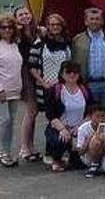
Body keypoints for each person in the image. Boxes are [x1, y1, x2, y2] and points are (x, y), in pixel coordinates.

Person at [28, 13, 72, 163]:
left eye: (57, 25)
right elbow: (32, 67)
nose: (55, 27)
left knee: (65, 116)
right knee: (52, 118)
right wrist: (42, 82)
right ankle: (50, 150)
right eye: (52, 25)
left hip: (64, 87)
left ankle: (64, 149)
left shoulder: (67, 43)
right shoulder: (39, 44)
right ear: (48, 26)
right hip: (47, 88)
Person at [0, 13, 25, 168]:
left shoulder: (14, 44)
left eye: (10, 27)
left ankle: (8, 151)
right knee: (4, 120)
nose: (7, 30)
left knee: (11, 122)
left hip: (15, 89)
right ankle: (3, 153)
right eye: (3, 27)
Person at [44, 60, 91, 172]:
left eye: (75, 72)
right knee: (60, 139)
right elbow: (50, 114)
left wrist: (80, 127)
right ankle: (57, 158)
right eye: (68, 72)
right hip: (60, 126)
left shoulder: (85, 90)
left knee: (80, 165)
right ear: (62, 74)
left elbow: (91, 112)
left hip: (79, 128)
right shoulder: (55, 90)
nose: (72, 75)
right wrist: (62, 129)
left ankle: (74, 157)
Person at [72, 7, 105, 114]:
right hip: (88, 85)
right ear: (86, 21)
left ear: (102, 21)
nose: (94, 21)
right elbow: (73, 62)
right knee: (89, 116)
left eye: (97, 19)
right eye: (91, 19)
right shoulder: (78, 40)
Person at [12, 7, 42, 163]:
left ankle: (31, 145)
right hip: (26, 74)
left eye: (26, 13)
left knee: (34, 112)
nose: (24, 16)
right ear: (16, 18)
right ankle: (24, 147)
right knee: (31, 111)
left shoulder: (38, 32)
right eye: (20, 14)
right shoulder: (16, 34)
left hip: (37, 71)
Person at [74, 104, 105, 177]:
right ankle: (95, 164)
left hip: (104, 154)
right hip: (89, 155)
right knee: (96, 140)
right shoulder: (82, 129)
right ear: (90, 117)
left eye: (102, 116)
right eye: (97, 116)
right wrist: (91, 138)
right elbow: (81, 152)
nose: (100, 119)